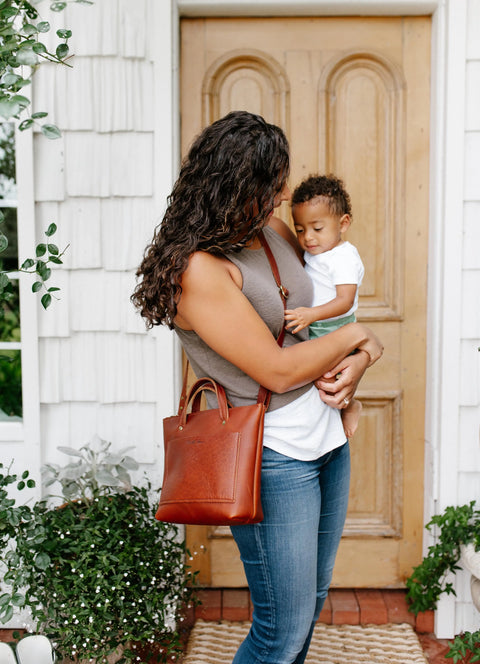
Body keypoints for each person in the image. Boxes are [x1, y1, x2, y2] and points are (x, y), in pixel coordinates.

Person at [131, 111, 382, 664]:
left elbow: (322, 319)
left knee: (308, 605)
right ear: (232, 186)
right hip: (273, 456)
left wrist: (360, 355)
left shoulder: (268, 231)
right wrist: (360, 338)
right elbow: (276, 369)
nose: (283, 196)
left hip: (325, 437)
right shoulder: (199, 270)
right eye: (271, 184)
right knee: (279, 628)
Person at [285, 175, 365, 439]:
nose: (308, 237)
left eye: (317, 229)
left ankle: (350, 406)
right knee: (318, 382)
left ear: (343, 223)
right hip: (316, 327)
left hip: (335, 328)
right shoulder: (315, 252)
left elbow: (344, 301)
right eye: (300, 229)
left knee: (332, 380)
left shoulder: (342, 257)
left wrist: (311, 314)